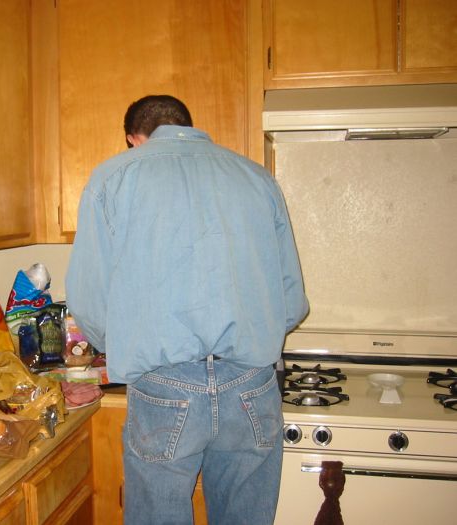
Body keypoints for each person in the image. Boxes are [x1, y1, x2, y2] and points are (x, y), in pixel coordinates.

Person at [65, 94, 308, 525]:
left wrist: (126, 345)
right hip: (251, 382)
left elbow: (88, 302)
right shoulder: (256, 178)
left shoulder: (111, 179)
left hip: (164, 385)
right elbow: (291, 302)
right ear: (188, 126)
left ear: (133, 139)